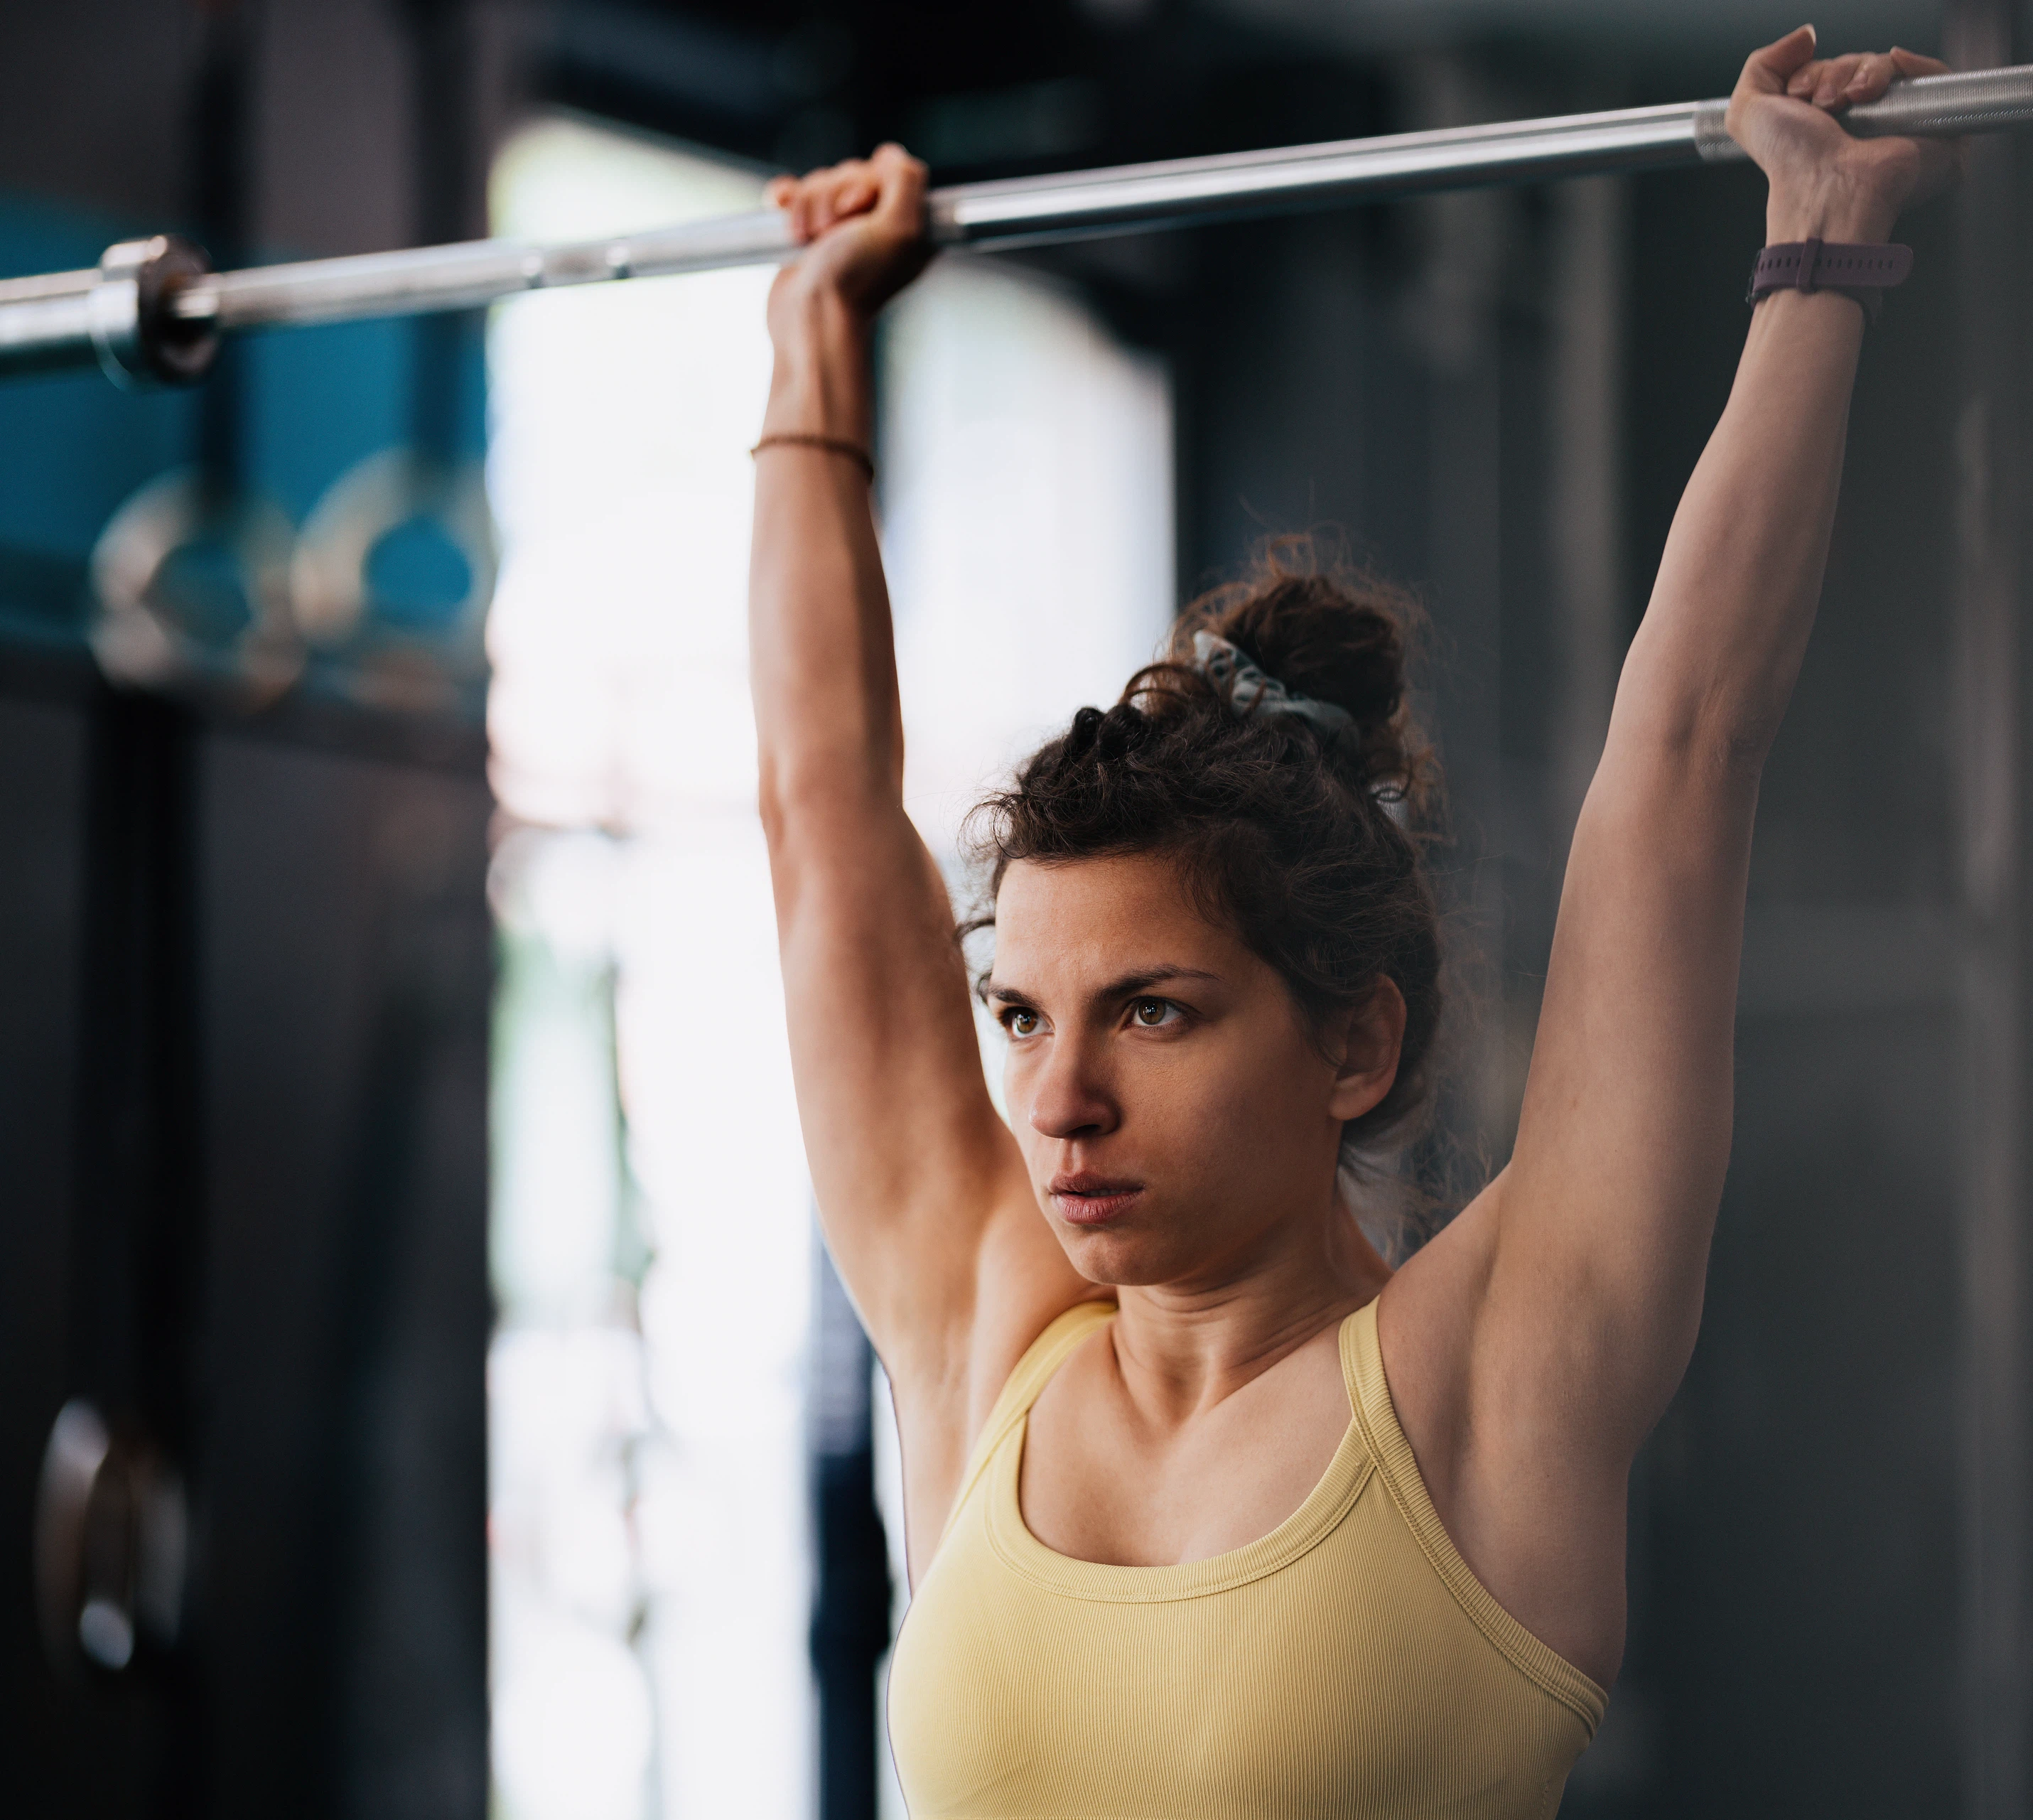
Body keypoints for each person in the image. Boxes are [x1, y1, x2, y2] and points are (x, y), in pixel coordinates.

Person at [749, 28, 1956, 1816]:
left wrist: (1817, 257)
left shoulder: (1493, 1376)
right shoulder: (988, 1334)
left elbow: (1687, 758)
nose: (1056, 1098)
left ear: (1356, 1039)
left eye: (1150, 1011)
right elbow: (822, 813)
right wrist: (813, 346)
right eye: (1019, 1014)